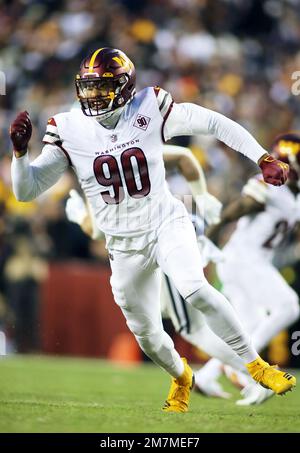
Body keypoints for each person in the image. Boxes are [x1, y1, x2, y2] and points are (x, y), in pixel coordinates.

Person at [10, 47, 295, 413]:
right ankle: (181, 376)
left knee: (194, 288)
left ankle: (257, 366)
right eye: (89, 88)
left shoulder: (150, 106)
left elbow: (214, 122)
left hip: (165, 223)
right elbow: (26, 190)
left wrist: (262, 156)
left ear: (126, 87)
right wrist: (19, 154)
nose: (93, 96)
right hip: (123, 246)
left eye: (103, 87)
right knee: (146, 334)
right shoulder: (68, 128)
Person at [65, 144, 251, 399]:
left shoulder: (108, 169)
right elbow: (185, 160)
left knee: (191, 327)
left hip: (166, 247)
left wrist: (78, 216)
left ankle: (247, 370)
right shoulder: (144, 154)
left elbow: (98, 230)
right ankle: (235, 370)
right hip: (182, 240)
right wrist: (202, 199)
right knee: (188, 318)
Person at [197, 132, 300, 405]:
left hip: (248, 261)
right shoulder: (273, 186)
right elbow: (244, 205)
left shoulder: (294, 195)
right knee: (289, 306)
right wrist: (211, 233)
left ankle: (207, 376)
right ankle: (250, 372)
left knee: (247, 327)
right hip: (244, 260)